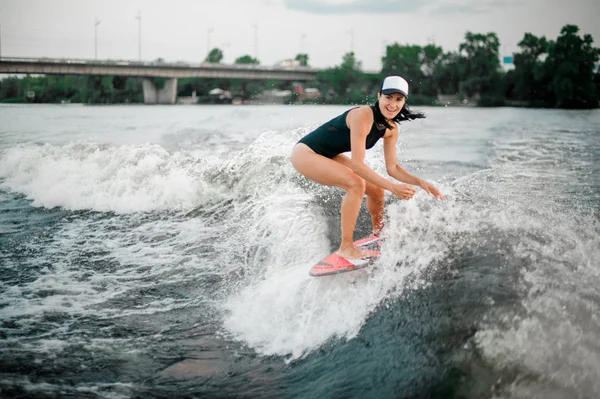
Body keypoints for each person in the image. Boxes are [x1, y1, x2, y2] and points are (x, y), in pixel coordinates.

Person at [291, 76, 445, 259]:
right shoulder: (363, 115)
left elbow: (393, 168)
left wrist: (420, 183)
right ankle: (346, 246)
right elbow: (357, 166)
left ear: (404, 102)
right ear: (379, 96)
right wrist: (394, 187)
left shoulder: (391, 129)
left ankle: (378, 235)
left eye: (399, 99)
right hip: (306, 153)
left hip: (329, 155)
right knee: (356, 183)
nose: (393, 104)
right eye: (388, 97)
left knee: (377, 190)